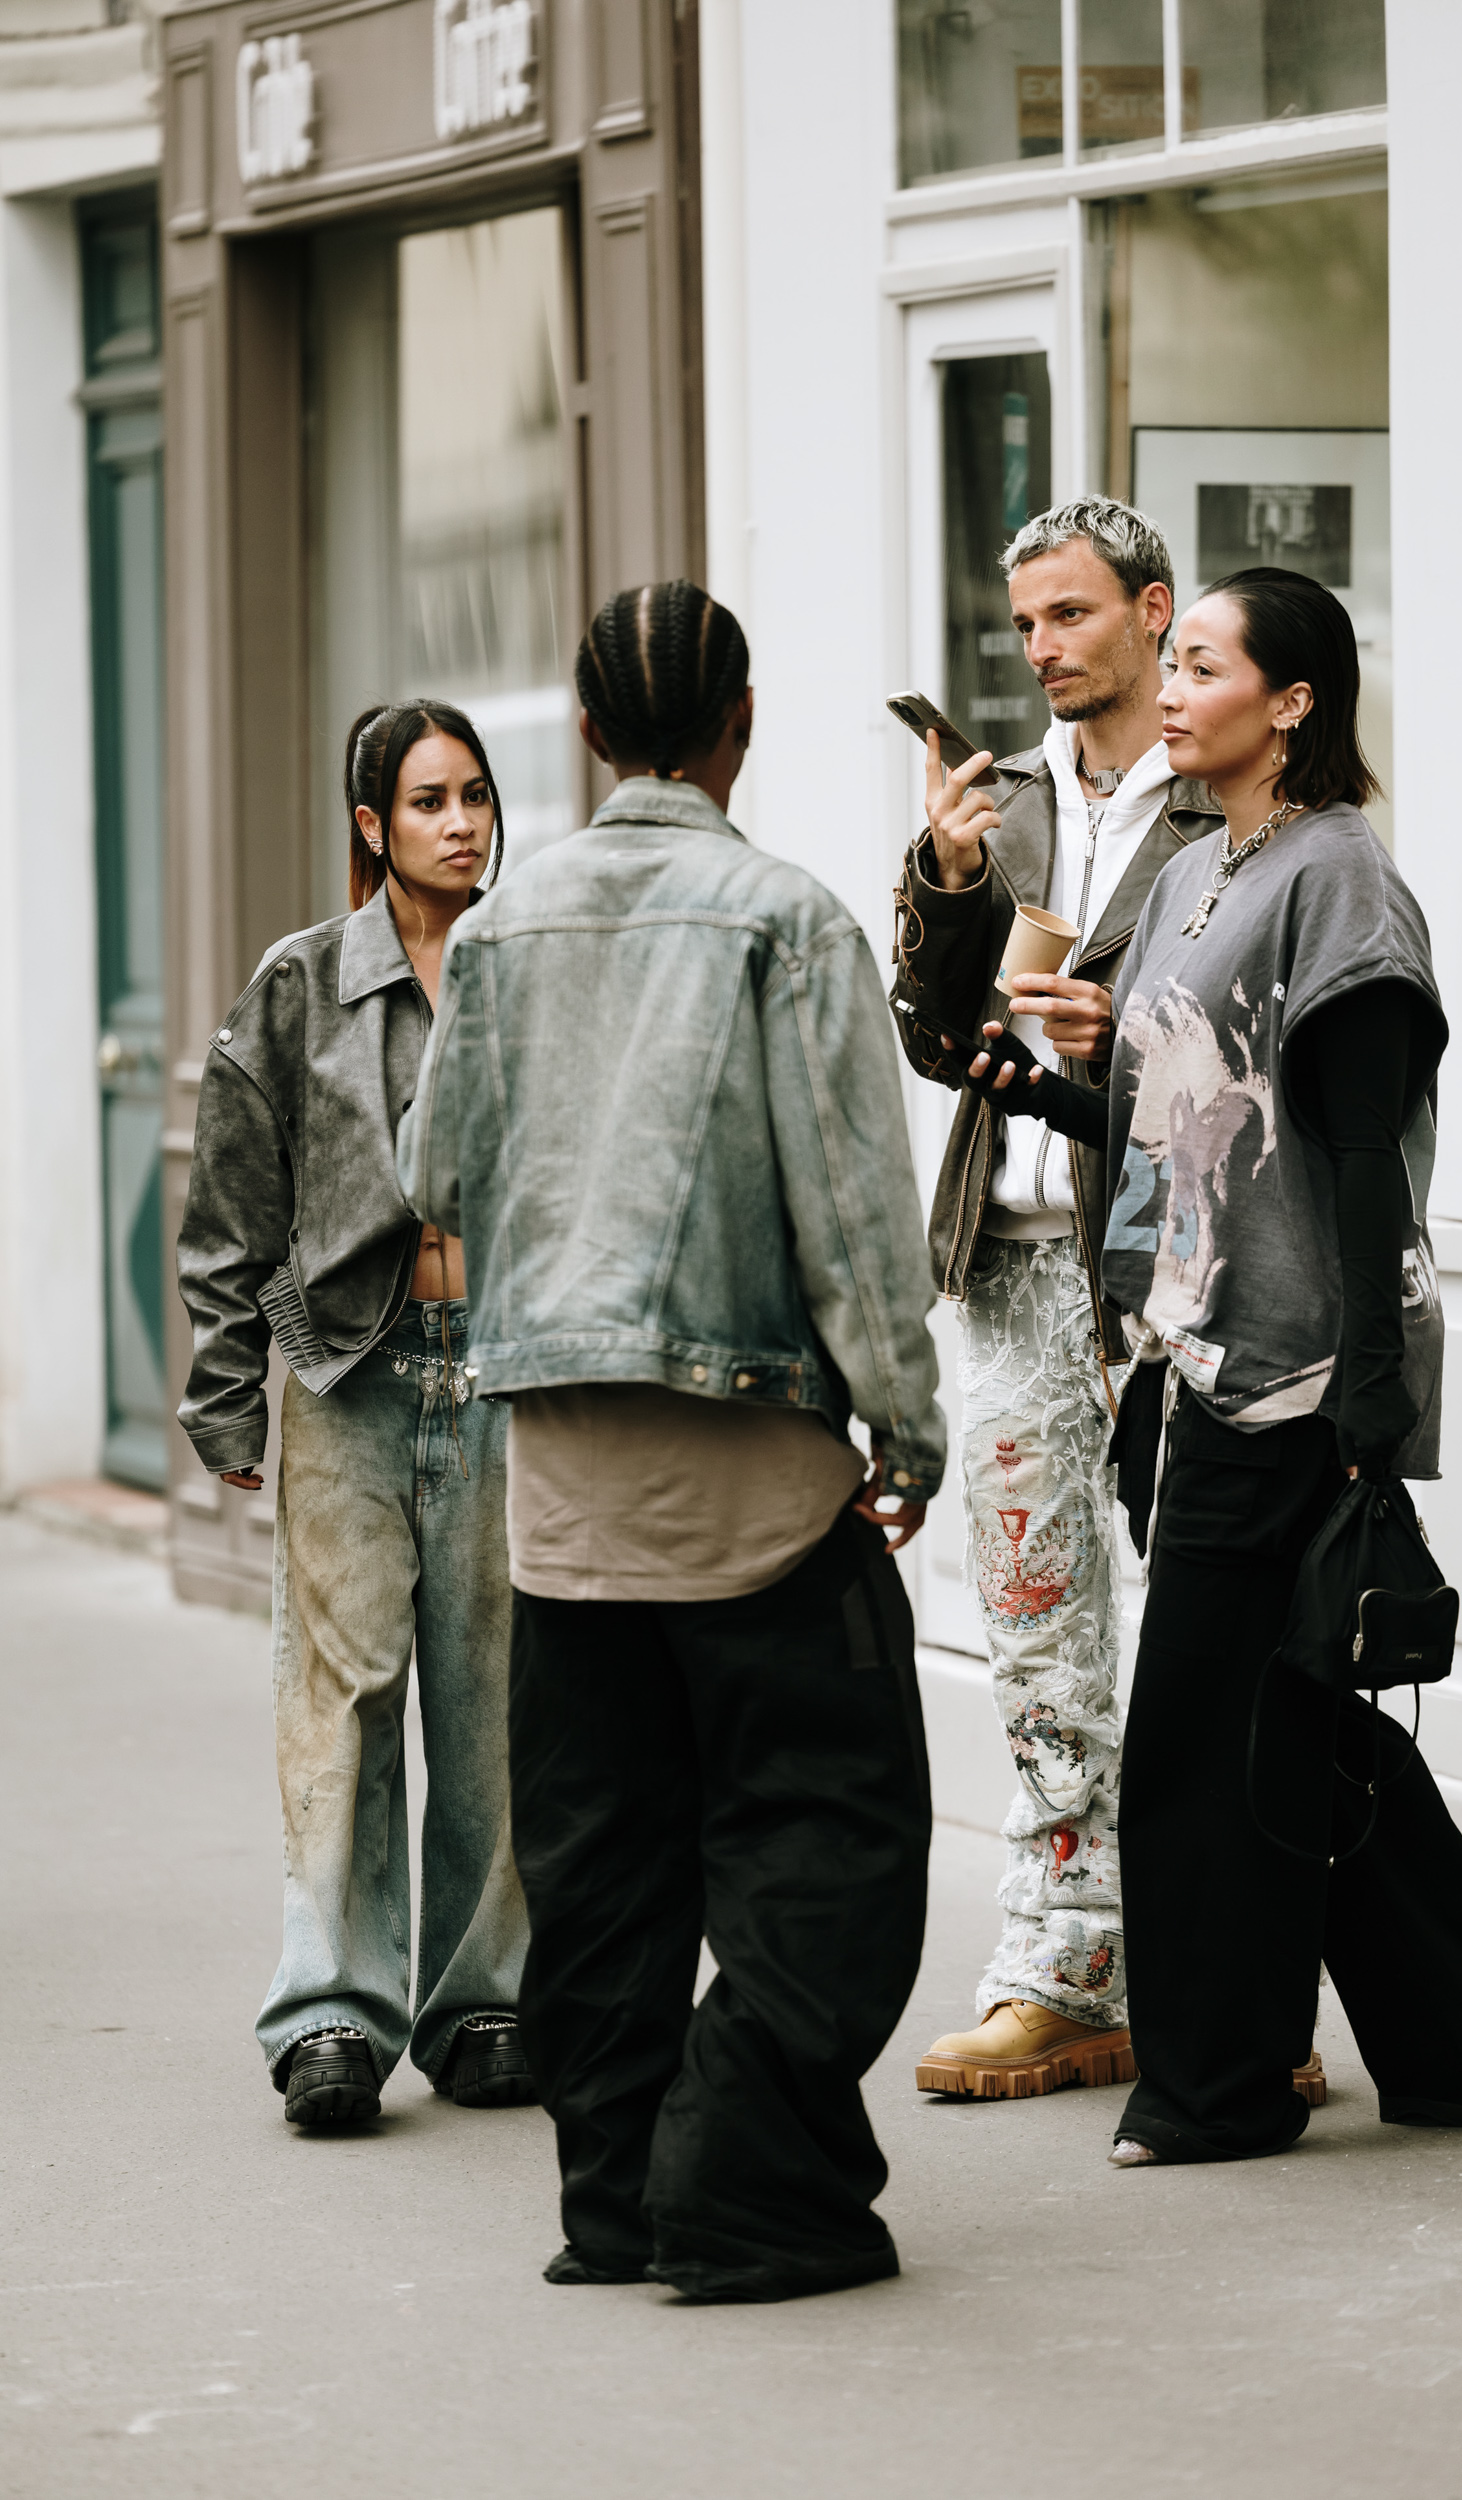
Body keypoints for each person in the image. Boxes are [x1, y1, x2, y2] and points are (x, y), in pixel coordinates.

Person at [947, 566, 1462, 2162]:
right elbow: (1195, 1127)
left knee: (1198, 1736)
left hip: (1291, 1379)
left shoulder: (1340, 881)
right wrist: (1052, 1098)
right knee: (1294, 1726)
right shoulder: (1206, 872)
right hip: (1190, 1362)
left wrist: (1369, 1406)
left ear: (1295, 701)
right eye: (1170, 666)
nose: (1169, 692)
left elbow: (1350, 1151)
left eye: (1200, 666)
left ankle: (1224, 2084)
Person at [398, 580, 947, 2302]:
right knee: (828, 1841)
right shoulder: (786, 919)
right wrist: (908, 1427)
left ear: (582, 726)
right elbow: (855, 1216)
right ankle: (744, 2174)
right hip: (760, 1473)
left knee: (603, 1862)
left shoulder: (496, 930)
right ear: (743, 723)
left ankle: (615, 2203)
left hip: (558, 1491)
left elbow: (434, 1182)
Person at [890, 496, 1233, 2101]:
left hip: (1176, 1268)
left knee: (1194, 1627)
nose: (1042, 645)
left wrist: (1122, 1042)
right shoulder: (1004, 798)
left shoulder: (1229, 800)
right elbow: (928, 1032)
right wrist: (952, 885)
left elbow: (1271, 1036)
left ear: (1153, 612)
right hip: (1012, 1261)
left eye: (1073, 614)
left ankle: (1214, 1973)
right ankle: (1059, 1959)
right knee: (1035, 1625)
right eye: (1025, 620)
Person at [176, 701, 534, 2127]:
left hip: (504, 1370)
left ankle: (485, 2001)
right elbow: (230, 1210)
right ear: (373, 828)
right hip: (349, 1377)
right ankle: (329, 2014)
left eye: (478, 797)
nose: (464, 824)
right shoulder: (301, 985)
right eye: (432, 802)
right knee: (344, 1698)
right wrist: (226, 1398)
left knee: (494, 1696)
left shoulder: (526, 971)